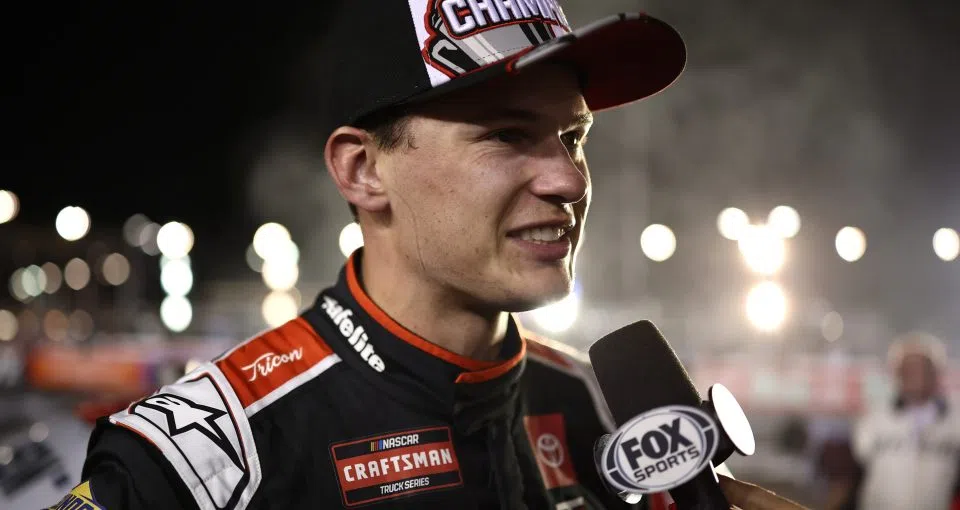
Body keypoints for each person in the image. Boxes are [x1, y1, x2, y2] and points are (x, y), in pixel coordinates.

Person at [48, 1, 806, 509]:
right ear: (362, 171)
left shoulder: (602, 407)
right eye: (506, 135)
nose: (571, 179)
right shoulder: (206, 457)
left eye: (573, 137)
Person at [851, 333, 960, 510]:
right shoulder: (875, 418)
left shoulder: (955, 419)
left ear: (936, 372)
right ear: (897, 372)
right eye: (908, 367)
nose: (915, 374)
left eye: (922, 367)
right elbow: (861, 460)